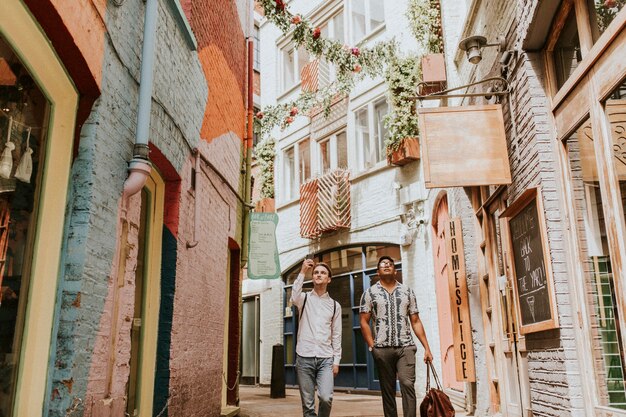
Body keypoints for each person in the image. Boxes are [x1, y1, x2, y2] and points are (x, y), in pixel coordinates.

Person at [360, 255, 433, 417]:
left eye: (390, 264)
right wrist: (373, 347)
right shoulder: (369, 293)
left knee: (407, 384)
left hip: (405, 347)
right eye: (383, 264)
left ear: (395, 271)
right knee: (388, 390)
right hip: (382, 349)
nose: (386, 265)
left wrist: (427, 348)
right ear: (378, 272)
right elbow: (364, 322)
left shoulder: (407, 292)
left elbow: (415, 321)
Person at [291, 258, 342, 417]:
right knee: (308, 405)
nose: (319, 275)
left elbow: (337, 334)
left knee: (326, 398)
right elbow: (293, 296)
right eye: (316, 273)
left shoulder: (335, 305)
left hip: (326, 358)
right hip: (304, 356)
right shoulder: (303, 299)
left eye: (323, 273)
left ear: (329, 279)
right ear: (312, 277)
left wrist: (336, 361)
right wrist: (302, 271)